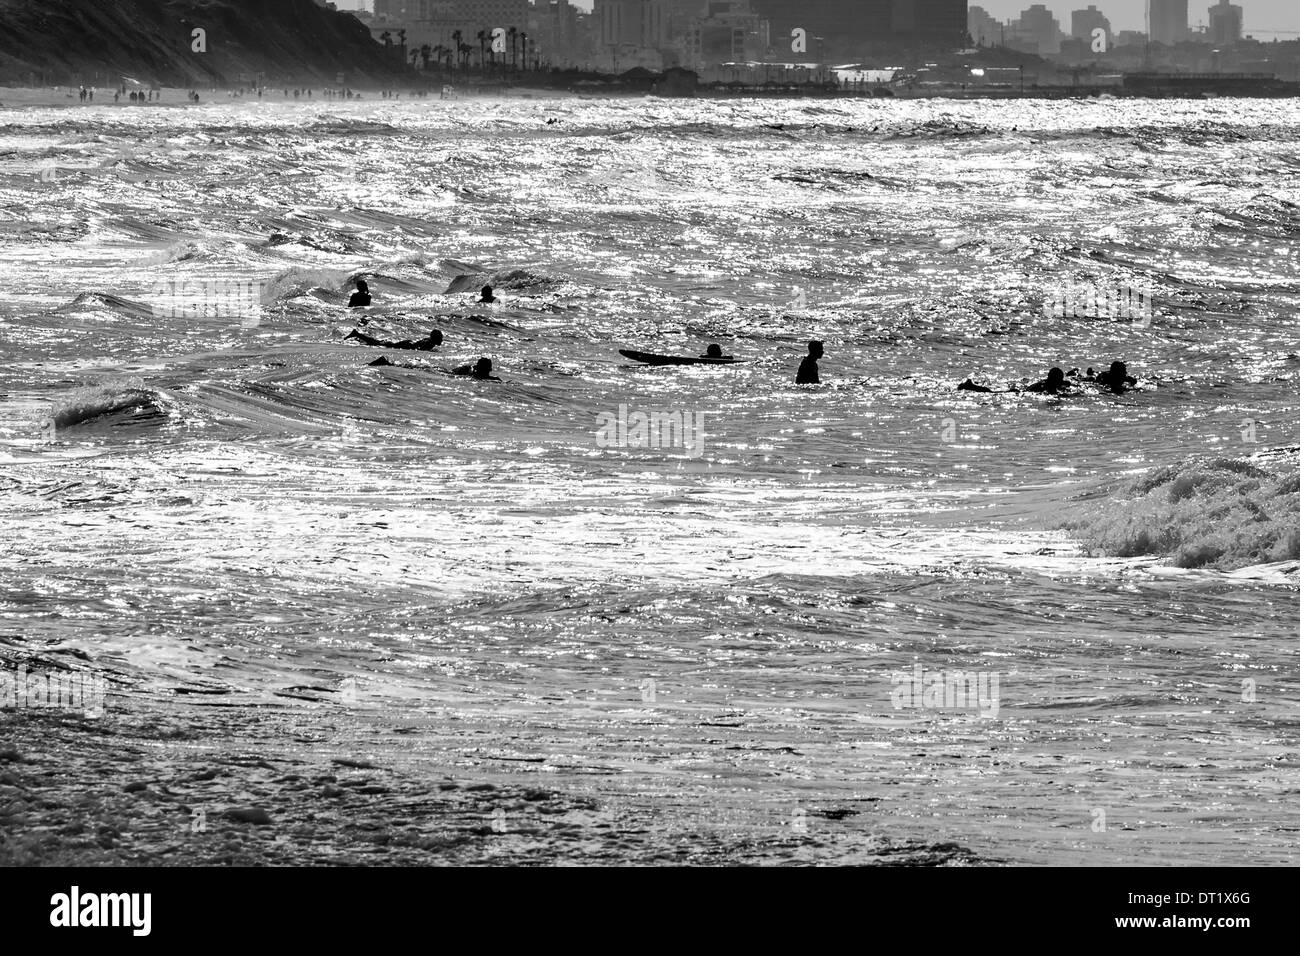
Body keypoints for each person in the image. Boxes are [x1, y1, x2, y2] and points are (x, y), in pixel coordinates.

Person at [345, 328, 443, 351]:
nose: (442, 340)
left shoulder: (429, 341)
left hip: (407, 343)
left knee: (379, 343)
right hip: (406, 345)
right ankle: (357, 334)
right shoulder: (429, 343)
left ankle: (359, 337)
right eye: (441, 338)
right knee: (378, 343)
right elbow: (418, 350)